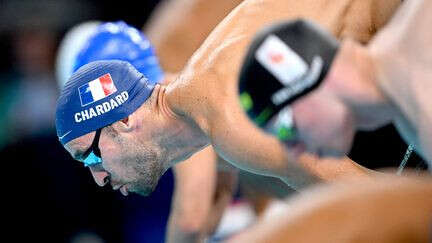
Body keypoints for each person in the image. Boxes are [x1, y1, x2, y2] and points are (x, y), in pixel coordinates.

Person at [55, 0, 403, 200]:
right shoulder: (205, 121)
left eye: (90, 155)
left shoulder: (226, 119)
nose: (98, 177)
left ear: (124, 120)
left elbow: (376, 200)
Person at [239, 0, 432, 167]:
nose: (293, 152)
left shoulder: (422, 100)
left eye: (286, 128)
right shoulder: (408, 117)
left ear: (310, 80)